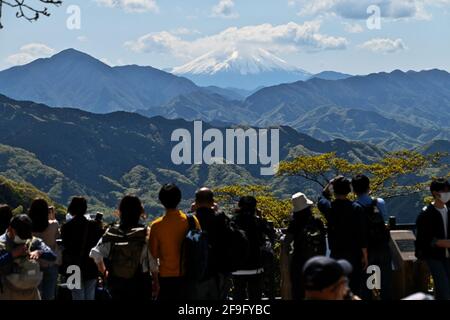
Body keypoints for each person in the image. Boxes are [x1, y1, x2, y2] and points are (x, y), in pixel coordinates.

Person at [90, 195, 157, 300]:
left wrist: (104, 272)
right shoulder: (145, 233)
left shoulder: (112, 232)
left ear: (120, 211)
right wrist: (156, 283)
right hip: (141, 284)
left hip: (117, 284)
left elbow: (95, 253)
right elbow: (152, 262)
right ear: (140, 212)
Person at [318, 176, 368, 296]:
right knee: (355, 287)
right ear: (349, 191)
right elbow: (362, 235)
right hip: (354, 255)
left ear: (334, 192)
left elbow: (321, 198)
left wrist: (330, 183)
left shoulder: (329, 208)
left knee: (338, 288)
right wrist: (365, 255)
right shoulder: (357, 208)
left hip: (336, 254)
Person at [149, 184, 200, 300]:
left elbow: (154, 254)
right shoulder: (192, 220)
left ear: (161, 201)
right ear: (179, 199)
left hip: (166, 277)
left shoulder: (156, 226)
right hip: (188, 275)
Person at [352, 174, 392, 300]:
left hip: (366, 250)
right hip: (382, 247)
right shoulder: (379, 202)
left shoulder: (354, 207)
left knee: (367, 284)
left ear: (354, 189)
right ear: (369, 187)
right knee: (385, 280)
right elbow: (386, 222)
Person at [0, 214, 56, 300]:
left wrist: (39, 252)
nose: (23, 239)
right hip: (7, 292)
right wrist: (12, 254)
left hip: (30, 293)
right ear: (10, 229)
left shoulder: (33, 241)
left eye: (25, 236)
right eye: (20, 235)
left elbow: (52, 256)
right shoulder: (1, 243)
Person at [191, 187, 232, 300]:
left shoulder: (190, 220)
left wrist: (191, 212)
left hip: (196, 272)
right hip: (219, 271)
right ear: (212, 202)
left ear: (196, 202)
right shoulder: (220, 218)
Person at [61, 197, 103, 300]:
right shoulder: (94, 226)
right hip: (91, 265)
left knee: (77, 295)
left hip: (73, 266)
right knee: (90, 295)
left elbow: (65, 246)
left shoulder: (66, 227)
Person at [287, 192, 327, 300]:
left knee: (298, 292)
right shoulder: (317, 222)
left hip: (299, 262)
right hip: (316, 262)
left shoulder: (294, 223)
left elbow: (286, 243)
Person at [231, 196, 272, 300]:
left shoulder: (233, 221)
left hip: (237, 267)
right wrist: (261, 217)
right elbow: (271, 234)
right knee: (255, 296)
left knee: (238, 296)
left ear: (239, 206)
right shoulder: (258, 221)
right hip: (256, 267)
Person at [415, 178, 450, 300]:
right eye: (445, 191)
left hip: (447, 256)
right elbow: (423, 239)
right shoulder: (427, 214)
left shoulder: (448, 210)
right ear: (435, 193)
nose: (448, 193)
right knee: (444, 289)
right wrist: (439, 242)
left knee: (442, 290)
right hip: (434, 256)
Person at [27, 198, 61, 300]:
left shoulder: (27, 226)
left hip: (33, 264)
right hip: (50, 263)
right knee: (49, 296)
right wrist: (52, 217)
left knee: (33, 295)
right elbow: (58, 238)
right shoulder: (54, 225)